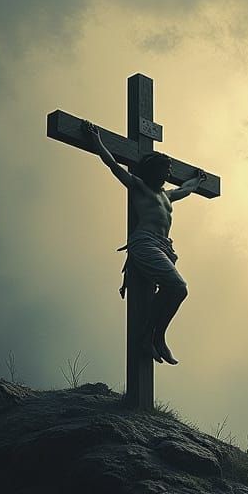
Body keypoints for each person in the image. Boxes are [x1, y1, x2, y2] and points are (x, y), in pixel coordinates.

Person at [82, 120, 206, 365]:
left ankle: (155, 338)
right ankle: (151, 337)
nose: (169, 175)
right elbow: (112, 165)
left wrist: (199, 181)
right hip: (145, 243)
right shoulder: (139, 187)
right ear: (154, 172)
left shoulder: (167, 196)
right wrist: (96, 139)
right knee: (178, 287)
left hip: (164, 246)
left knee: (176, 291)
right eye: (165, 171)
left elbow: (187, 188)